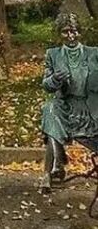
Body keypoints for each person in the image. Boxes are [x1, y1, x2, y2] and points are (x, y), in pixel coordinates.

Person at [39, 13, 98, 193]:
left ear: (80, 32)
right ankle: (53, 168)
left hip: (91, 110)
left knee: (51, 127)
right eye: (66, 32)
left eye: (74, 31)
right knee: (50, 109)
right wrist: (55, 79)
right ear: (60, 34)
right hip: (66, 108)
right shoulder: (53, 54)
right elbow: (46, 85)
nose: (70, 36)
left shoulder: (94, 53)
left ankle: (58, 165)